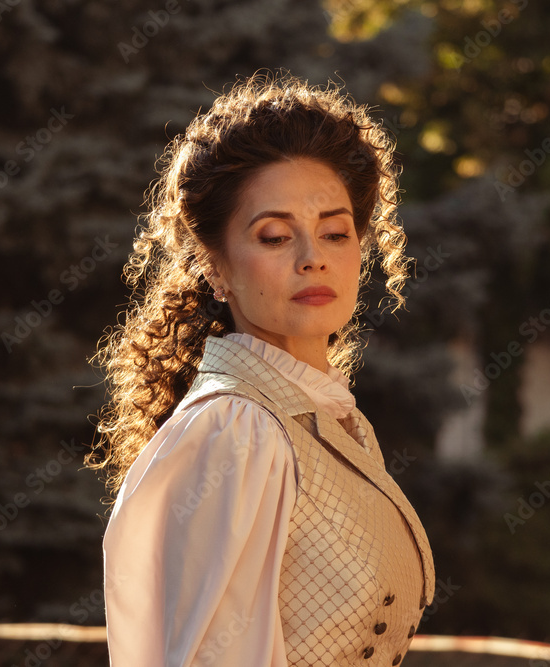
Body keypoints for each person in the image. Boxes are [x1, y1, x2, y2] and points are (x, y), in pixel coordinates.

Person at [85, 71, 436, 667]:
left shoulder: (324, 419)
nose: (312, 259)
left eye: (334, 232)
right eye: (274, 237)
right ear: (214, 266)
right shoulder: (237, 430)